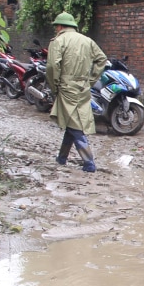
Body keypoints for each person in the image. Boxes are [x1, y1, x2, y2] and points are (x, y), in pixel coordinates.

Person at [45, 12, 108, 172]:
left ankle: (89, 162)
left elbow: (52, 66)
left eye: (56, 27)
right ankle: (62, 158)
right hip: (83, 87)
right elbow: (102, 60)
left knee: (75, 125)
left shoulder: (58, 41)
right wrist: (91, 80)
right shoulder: (87, 41)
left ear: (60, 27)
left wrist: (55, 86)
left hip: (66, 86)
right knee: (72, 121)